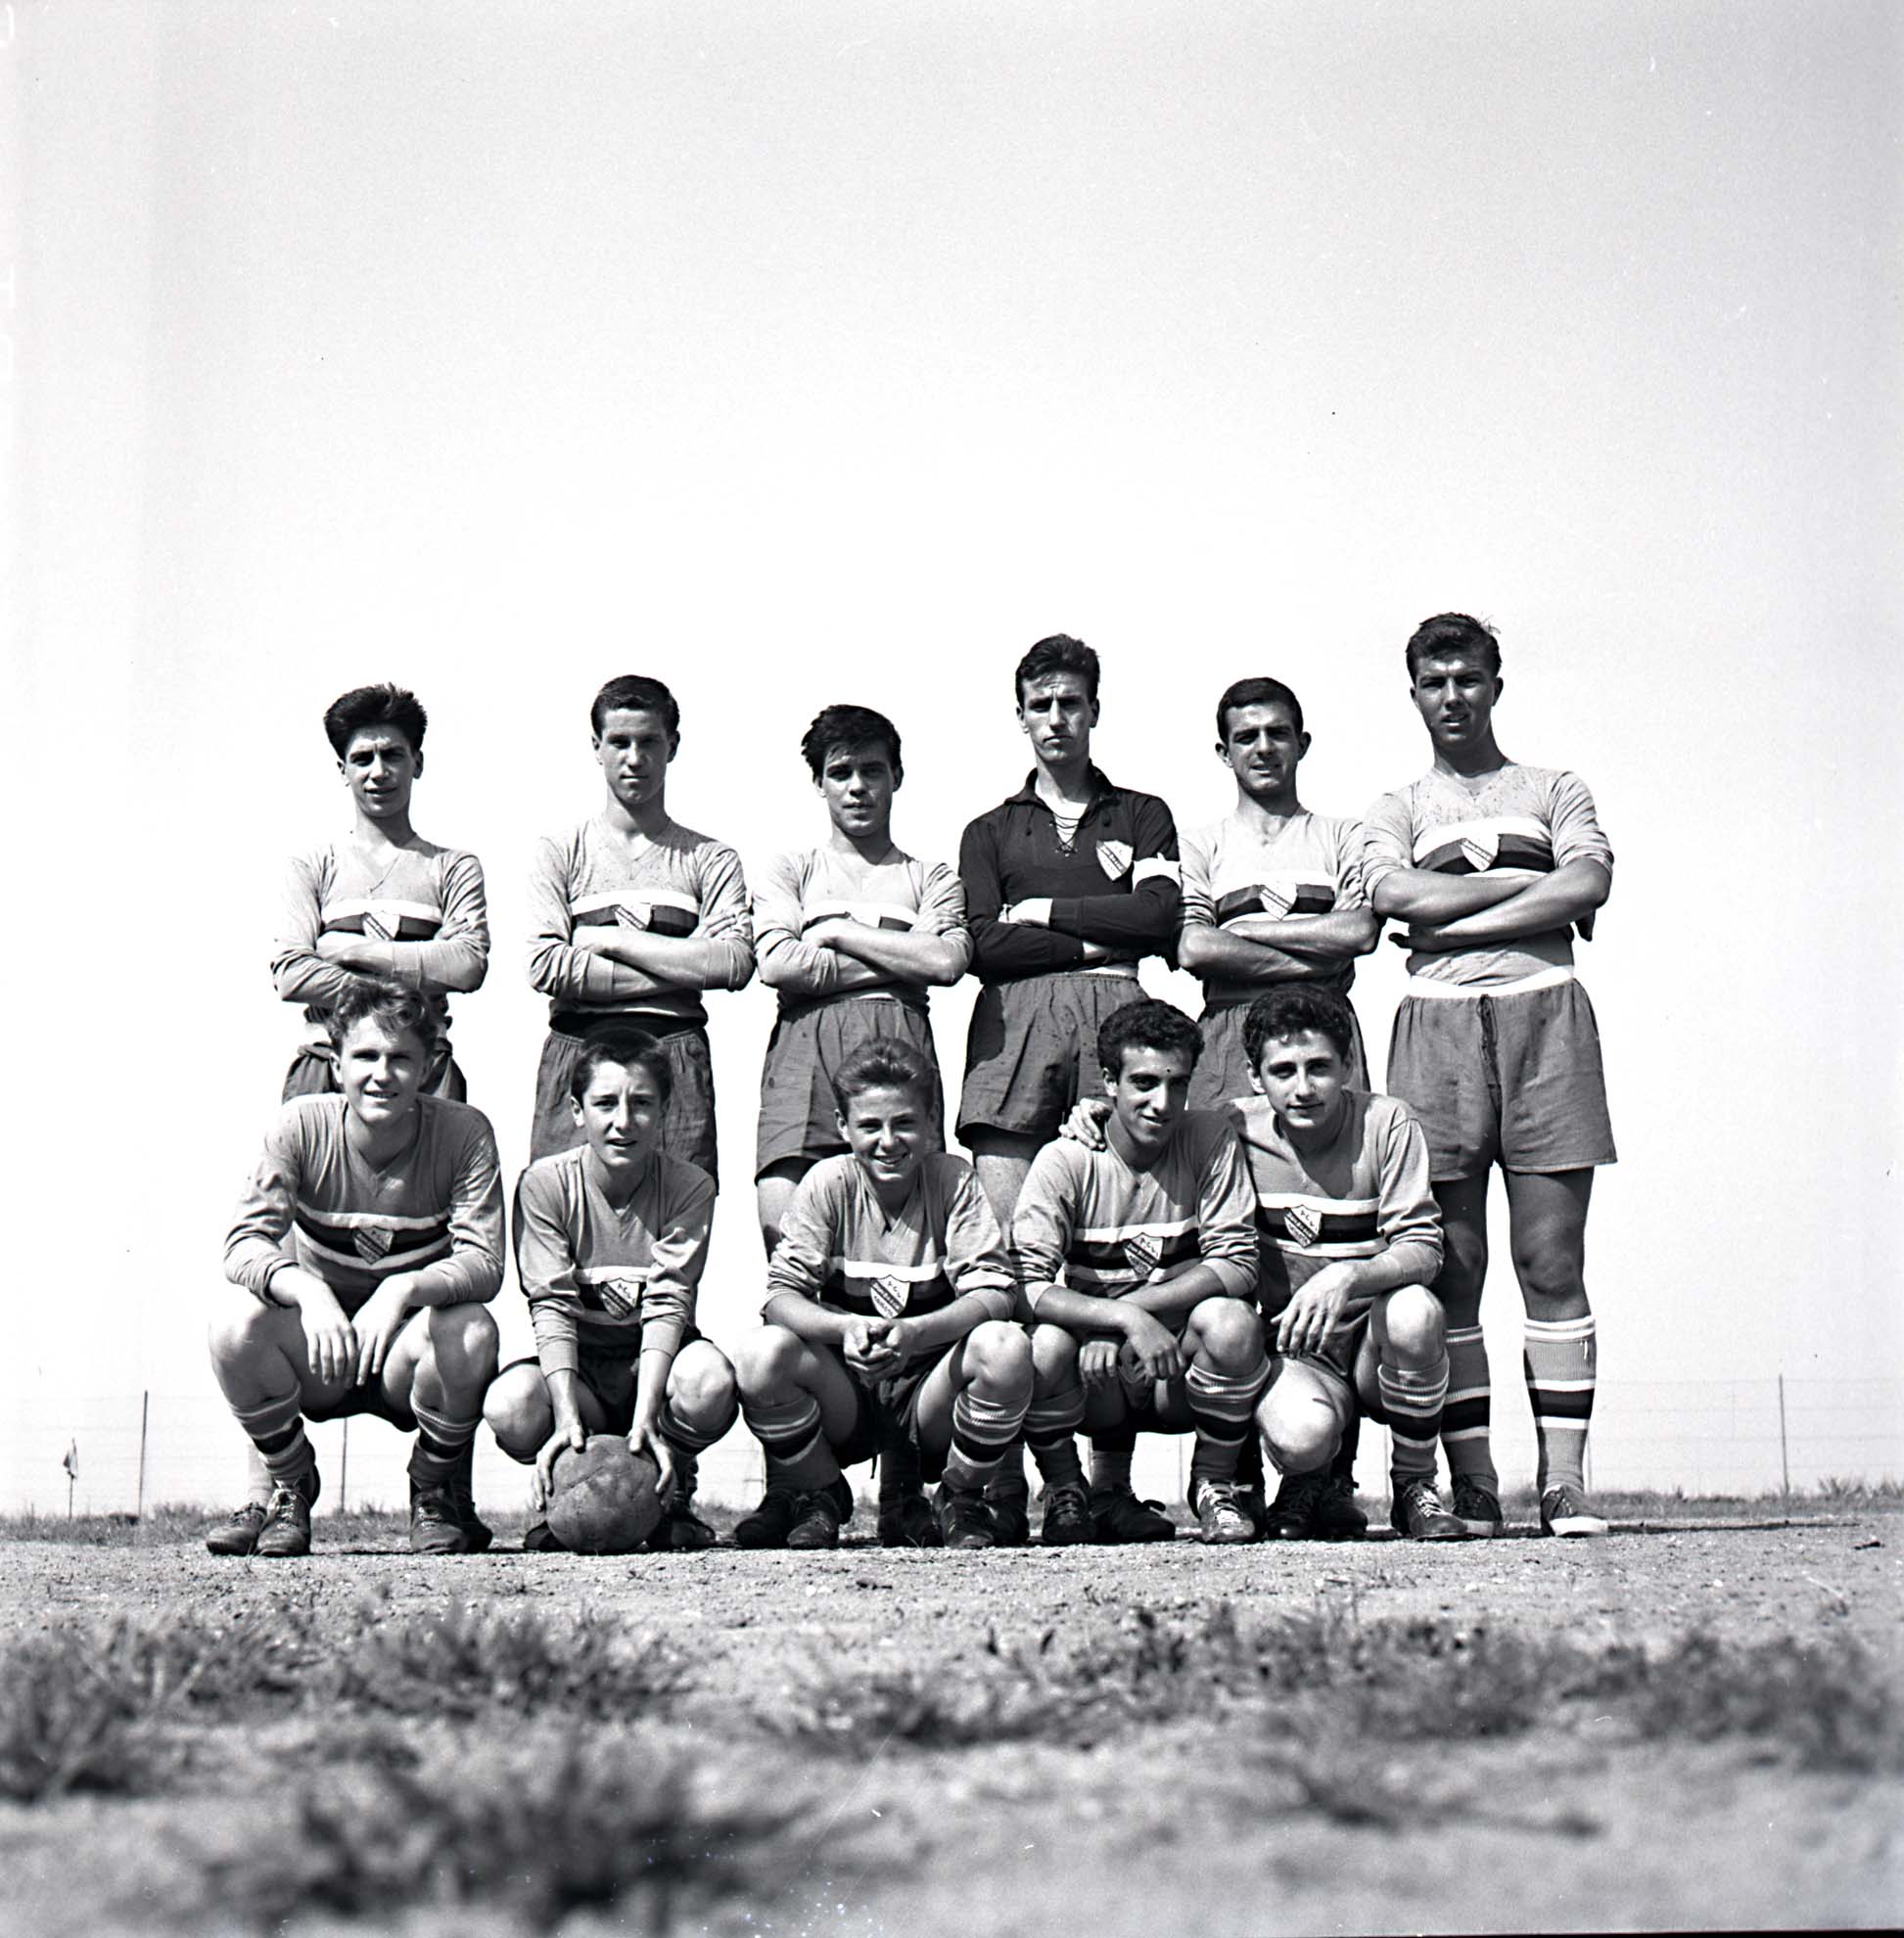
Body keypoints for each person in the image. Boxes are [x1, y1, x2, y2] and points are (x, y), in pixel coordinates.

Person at [207, 683, 491, 1553]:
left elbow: (470, 964)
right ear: (341, 769)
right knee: (297, 1259)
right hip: (324, 1065)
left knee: (436, 1252)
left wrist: (353, 953)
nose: (377, 770)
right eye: (360, 757)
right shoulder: (314, 865)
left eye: (392, 755)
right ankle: (271, 1494)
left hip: (425, 1067)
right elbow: (290, 971)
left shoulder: (450, 866)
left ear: (417, 762)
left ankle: (443, 1494)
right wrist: (407, 971)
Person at [1363, 613, 1615, 1539]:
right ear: (1413, 694)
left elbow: (1586, 884)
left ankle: (1563, 1484)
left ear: (1494, 686)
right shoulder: (1395, 809)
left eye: (1467, 679)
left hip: (1545, 1016)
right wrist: (1527, 892)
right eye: (1434, 682)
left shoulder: (1552, 788)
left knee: (1551, 1259)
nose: (1452, 697)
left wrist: (1451, 924)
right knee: (1454, 1265)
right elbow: (1391, 894)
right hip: (1434, 1027)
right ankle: (1471, 1481)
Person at [956, 634, 1182, 1540]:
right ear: (1020, 716)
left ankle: (1109, 1488)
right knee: (1013, 1258)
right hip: (1012, 1032)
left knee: (1110, 1245)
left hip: (1115, 1017)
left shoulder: (1143, 813)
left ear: (1094, 710)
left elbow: (1158, 918)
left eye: (1070, 703)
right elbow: (983, 943)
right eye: (1040, 705)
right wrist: (1101, 928)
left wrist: (1047, 915)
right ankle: (1013, 1488)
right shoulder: (989, 830)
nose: (1056, 719)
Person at [752, 703, 972, 1546]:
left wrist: (837, 933)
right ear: (818, 782)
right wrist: (887, 952)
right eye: (839, 772)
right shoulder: (792, 868)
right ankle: (802, 1487)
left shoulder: (928, 876)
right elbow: (777, 961)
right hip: (803, 1061)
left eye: (871, 770)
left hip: (898, 1050)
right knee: (794, 1261)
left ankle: (906, 1482)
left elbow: (945, 962)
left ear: (895, 777)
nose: (856, 787)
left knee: (911, 1259)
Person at [1177, 674, 1378, 1540]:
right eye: (1246, 735)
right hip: (1227, 1037)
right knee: (1237, 1239)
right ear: (1222, 750)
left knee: (1332, 1229)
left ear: (1302, 742)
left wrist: (1247, 937)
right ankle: (1226, 1476)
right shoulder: (1202, 842)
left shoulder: (1342, 837)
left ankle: (1323, 1478)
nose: (1263, 747)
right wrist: (1307, 948)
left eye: (1277, 732)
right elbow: (1193, 946)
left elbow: (1359, 933)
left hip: (1325, 1037)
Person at [208, 980, 503, 1557]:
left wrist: (402, 1289)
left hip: (404, 1357)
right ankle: (291, 1486)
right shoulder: (299, 1126)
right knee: (234, 1325)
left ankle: (432, 1489)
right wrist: (307, 1290)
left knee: (472, 1329)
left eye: (400, 1058)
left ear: (429, 1067)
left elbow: (485, 1261)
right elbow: (244, 1244)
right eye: (365, 1056)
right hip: (324, 1352)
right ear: (335, 1063)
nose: (381, 1074)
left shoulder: (464, 1132)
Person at [730, 1038, 1031, 1550]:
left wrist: (917, 1332)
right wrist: (844, 1328)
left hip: (929, 1389)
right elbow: (780, 1297)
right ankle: (822, 1490)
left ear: (930, 1123)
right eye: (870, 1125)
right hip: (848, 1388)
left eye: (904, 1123)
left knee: (1005, 1346)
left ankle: (960, 1495)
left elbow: (995, 1293)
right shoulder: (827, 1182)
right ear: (843, 1126)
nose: (888, 1141)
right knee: (762, 1354)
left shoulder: (953, 1179)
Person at [1015, 998, 1266, 1546]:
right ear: (1109, 1082)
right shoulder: (1067, 1159)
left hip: (1175, 1366)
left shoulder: (1208, 1136)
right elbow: (1026, 1287)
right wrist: (1118, 1321)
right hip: (1097, 1373)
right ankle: (1072, 1490)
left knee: (1232, 1322)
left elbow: (1238, 1262)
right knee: (1043, 1346)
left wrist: (1131, 1316)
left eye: (1178, 1084)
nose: (1163, 1103)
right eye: (1145, 1083)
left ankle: (1214, 1484)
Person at [483, 1033, 739, 1552]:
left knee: (709, 1381)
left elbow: (668, 1302)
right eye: (605, 1103)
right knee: (510, 1404)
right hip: (585, 1375)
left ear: (664, 1112)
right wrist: (566, 1419)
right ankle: (568, 1493)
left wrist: (646, 1418)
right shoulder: (544, 1184)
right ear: (577, 1111)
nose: (624, 1121)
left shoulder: (691, 1185)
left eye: (641, 1103)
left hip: (654, 1368)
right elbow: (551, 1306)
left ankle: (670, 1493)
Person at [1233, 986, 1465, 1541]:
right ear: (1254, 1077)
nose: (1303, 1087)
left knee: (1415, 1311)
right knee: (1300, 1437)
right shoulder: (1231, 1129)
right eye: (1283, 1070)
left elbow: (1424, 1247)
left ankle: (1414, 1485)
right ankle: (1313, 1480)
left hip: (1373, 1347)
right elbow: (1150, 1135)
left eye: (1319, 1067)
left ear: (1348, 1066)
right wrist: (1092, 1116)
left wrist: (1348, 1275)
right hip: (1300, 1349)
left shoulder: (1387, 1122)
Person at [526, 674, 754, 1180]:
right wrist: (684, 964)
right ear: (596, 746)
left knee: (679, 1205)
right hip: (579, 1046)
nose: (634, 758)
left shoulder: (710, 858)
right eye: (619, 742)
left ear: (672, 745)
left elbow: (734, 963)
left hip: (674, 1050)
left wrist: (607, 940)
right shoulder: (560, 851)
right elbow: (546, 966)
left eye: (649, 741)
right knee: (561, 1202)